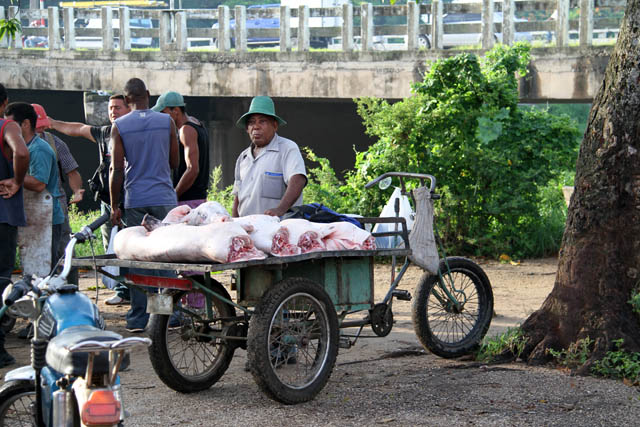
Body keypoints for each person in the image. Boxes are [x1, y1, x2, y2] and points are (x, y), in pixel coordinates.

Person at [48, 94, 132, 305]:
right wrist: (53, 123)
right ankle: (121, 290)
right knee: (110, 248)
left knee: (132, 248)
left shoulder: (133, 132)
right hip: (107, 200)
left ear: (129, 109)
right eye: (111, 108)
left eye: (118, 108)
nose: (113, 112)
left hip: (130, 200)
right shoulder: (104, 132)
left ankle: (134, 290)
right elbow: (78, 128)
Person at [109, 78, 179, 332]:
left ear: (127, 100)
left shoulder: (119, 126)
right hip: (163, 198)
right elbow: (174, 161)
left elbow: (116, 170)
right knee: (166, 258)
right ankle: (164, 317)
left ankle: (140, 318)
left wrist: (115, 205)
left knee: (138, 260)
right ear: (148, 94)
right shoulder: (167, 122)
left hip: (135, 199)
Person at [5, 102, 64, 274]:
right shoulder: (24, 147)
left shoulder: (38, 149)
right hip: (32, 216)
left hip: (47, 219)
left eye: (12, 125)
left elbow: (39, 184)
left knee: (44, 271)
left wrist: (13, 179)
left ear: (25, 124)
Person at [32, 103, 84, 285]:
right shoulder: (16, 142)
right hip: (29, 205)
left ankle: (71, 288)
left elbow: (72, 171)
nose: (40, 129)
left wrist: (77, 191)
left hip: (56, 204)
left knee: (64, 249)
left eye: (42, 125)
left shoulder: (55, 142)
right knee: (35, 251)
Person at [232, 95, 307, 218]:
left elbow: (298, 180)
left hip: (278, 227)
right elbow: (238, 196)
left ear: (275, 125)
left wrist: (279, 210)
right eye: (251, 122)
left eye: (262, 121)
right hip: (247, 227)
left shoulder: (287, 148)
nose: (256, 127)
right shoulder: (243, 157)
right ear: (247, 128)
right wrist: (234, 223)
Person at [0, 84, 29, 368]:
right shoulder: (7, 126)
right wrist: (17, 181)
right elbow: (21, 152)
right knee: (0, 279)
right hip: (3, 215)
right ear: (4, 102)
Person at [152, 91, 210, 209]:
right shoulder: (196, 123)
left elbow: (192, 169)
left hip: (188, 202)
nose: (161, 117)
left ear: (176, 111)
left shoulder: (185, 130)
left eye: (163, 113)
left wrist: (174, 195)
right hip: (198, 199)